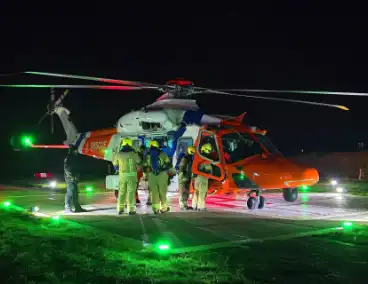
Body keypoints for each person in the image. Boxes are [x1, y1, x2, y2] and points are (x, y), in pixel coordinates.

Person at [113, 138, 142, 215]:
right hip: (132, 176)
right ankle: (131, 210)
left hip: (122, 177)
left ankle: (120, 209)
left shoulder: (118, 154)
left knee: (121, 192)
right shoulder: (134, 154)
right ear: (130, 144)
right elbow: (139, 162)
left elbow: (115, 166)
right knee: (131, 193)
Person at [144, 140, 172, 214]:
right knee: (162, 192)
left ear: (150, 146)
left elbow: (145, 167)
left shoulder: (147, 155)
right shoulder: (162, 153)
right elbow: (168, 164)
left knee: (154, 193)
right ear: (157, 146)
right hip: (162, 175)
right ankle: (164, 208)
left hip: (151, 176)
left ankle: (155, 209)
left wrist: (147, 175)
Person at [64, 145, 86, 213]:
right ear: (73, 150)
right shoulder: (68, 158)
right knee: (70, 193)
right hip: (70, 179)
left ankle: (77, 207)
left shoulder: (74, 158)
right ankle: (67, 207)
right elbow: (67, 169)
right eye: (75, 150)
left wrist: (77, 175)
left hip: (74, 178)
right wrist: (72, 177)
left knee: (75, 193)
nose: (77, 151)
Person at [192, 143, 213, 211]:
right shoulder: (206, 159)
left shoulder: (198, 157)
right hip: (203, 178)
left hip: (197, 178)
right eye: (209, 151)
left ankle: (194, 206)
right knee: (202, 193)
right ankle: (201, 207)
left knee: (196, 192)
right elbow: (208, 170)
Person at [178, 146, 195, 210]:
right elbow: (181, 169)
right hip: (184, 178)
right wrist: (182, 177)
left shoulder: (190, 158)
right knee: (183, 192)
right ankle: (182, 206)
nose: (194, 153)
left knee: (186, 192)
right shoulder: (185, 158)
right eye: (193, 152)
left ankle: (185, 205)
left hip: (187, 177)